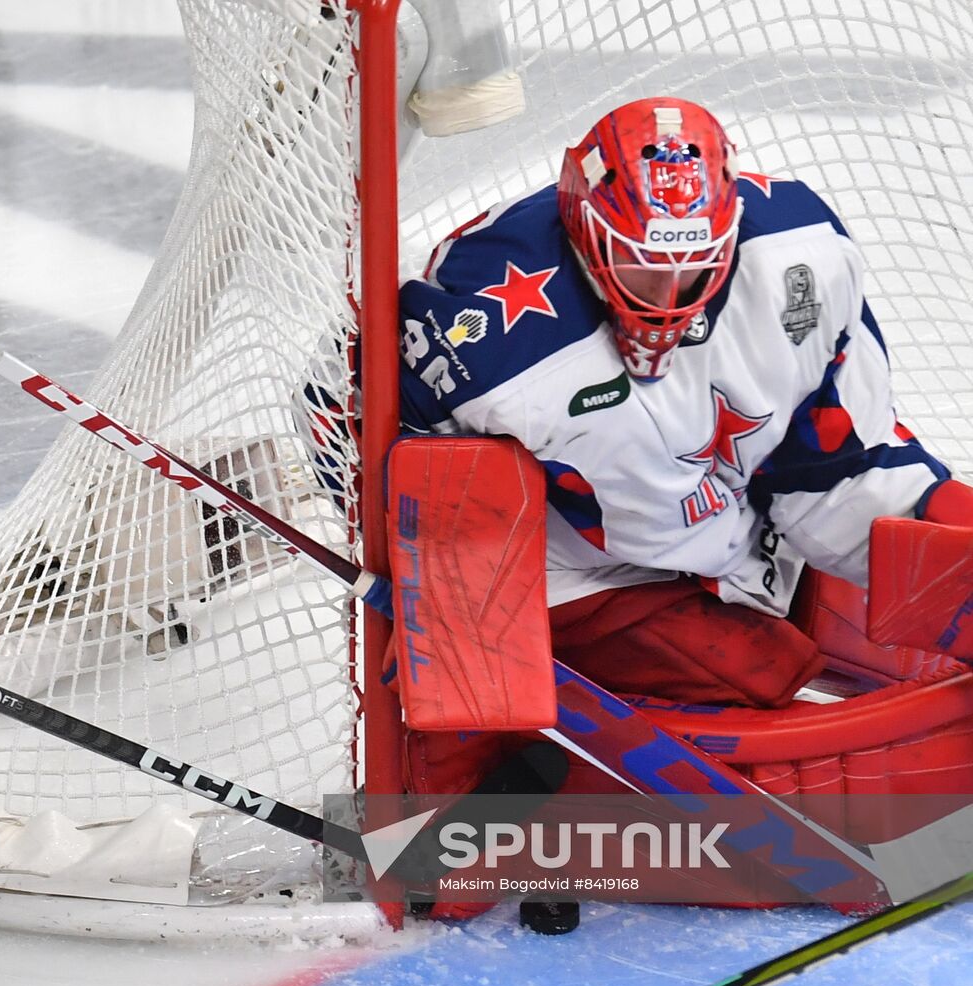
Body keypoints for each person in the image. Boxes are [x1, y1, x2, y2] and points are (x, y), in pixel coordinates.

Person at [395, 96, 973, 802]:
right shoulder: (482, 325)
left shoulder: (800, 254)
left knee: (918, 561)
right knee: (760, 672)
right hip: (582, 570)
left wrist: (941, 530)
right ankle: (466, 806)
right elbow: (342, 407)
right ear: (586, 230)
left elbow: (832, 459)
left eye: (695, 271)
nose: (671, 300)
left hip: (735, 518)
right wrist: (454, 604)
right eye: (643, 271)